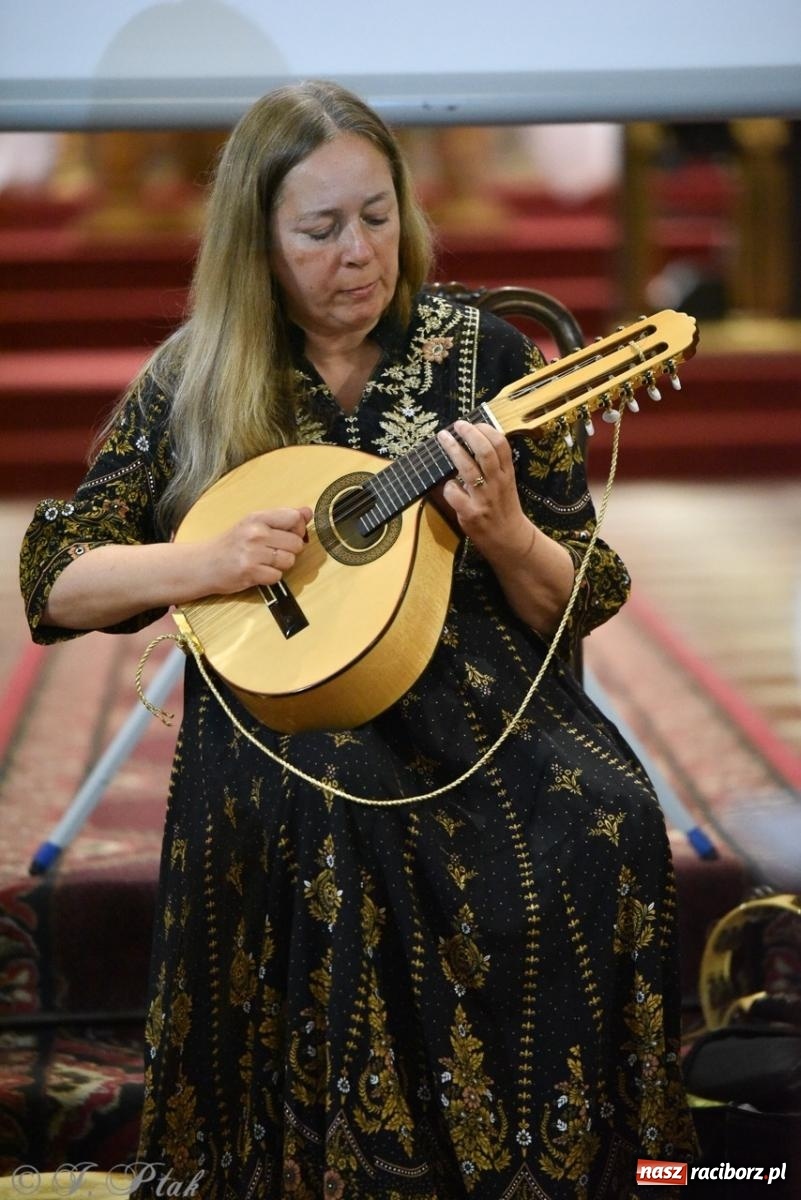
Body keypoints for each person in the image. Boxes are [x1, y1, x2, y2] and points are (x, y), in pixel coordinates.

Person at [19, 81, 697, 1199]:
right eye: (321, 229)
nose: (359, 253)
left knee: (610, 812)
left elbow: (582, 595)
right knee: (336, 804)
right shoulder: (199, 375)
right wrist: (206, 563)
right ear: (258, 244)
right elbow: (55, 579)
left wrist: (507, 531)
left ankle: (563, 1164)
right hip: (283, 714)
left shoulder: (483, 358)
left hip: (480, 696)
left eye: (378, 216)